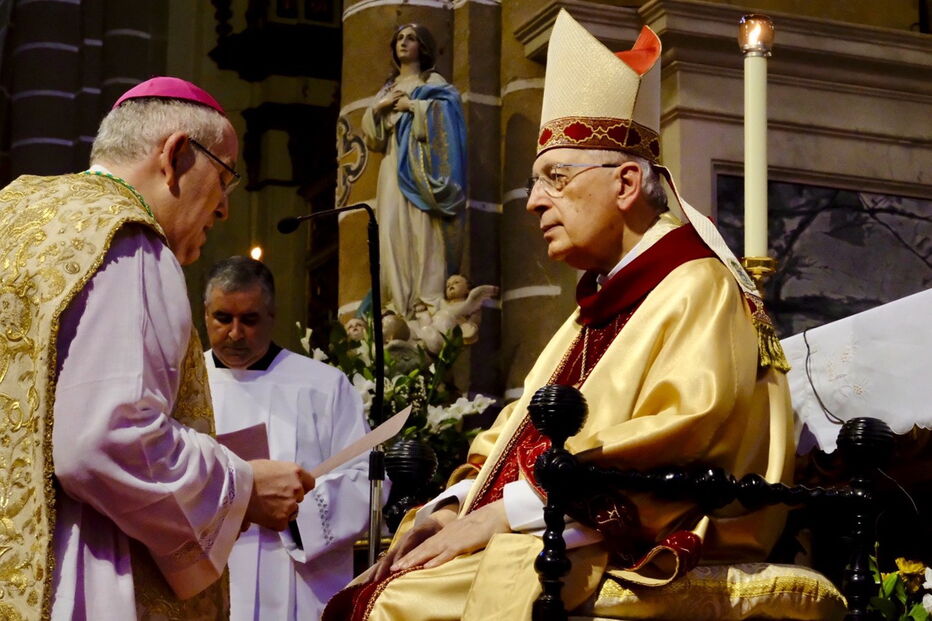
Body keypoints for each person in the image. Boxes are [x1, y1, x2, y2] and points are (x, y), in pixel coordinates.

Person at [324, 11, 794, 621]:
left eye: (555, 177)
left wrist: (504, 513)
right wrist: (456, 502)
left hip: (633, 537)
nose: (536, 202)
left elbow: (681, 436)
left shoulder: (694, 286)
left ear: (626, 182)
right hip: (555, 525)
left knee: (400, 603)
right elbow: (515, 434)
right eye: (535, 181)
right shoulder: (597, 307)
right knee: (382, 583)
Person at [0, 77, 314, 621]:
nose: (224, 211)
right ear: (175, 156)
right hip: (75, 578)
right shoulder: (128, 241)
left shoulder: (15, 212)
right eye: (225, 179)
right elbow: (106, 438)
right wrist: (242, 487)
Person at [202, 256, 371, 620]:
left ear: (271, 315)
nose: (234, 333)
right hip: (205, 576)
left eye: (249, 320)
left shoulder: (323, 385)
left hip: (299, 583)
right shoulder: (183, 387)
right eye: (222, 318)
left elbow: (367, 478)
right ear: (205, 315)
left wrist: (296, 515)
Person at [361, 23, 468, 317]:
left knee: (423, 229)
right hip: (393, 165)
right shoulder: (387, 89)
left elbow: (448, 114)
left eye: (410, 38)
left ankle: (426, 298)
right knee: (391, 230)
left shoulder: (434, 83)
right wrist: (380, 107)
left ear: (423, 46)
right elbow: (372, 136)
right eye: (399, 39)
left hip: (422, 170)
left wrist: (413, 106)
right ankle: (396, 302)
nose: (403, 43)